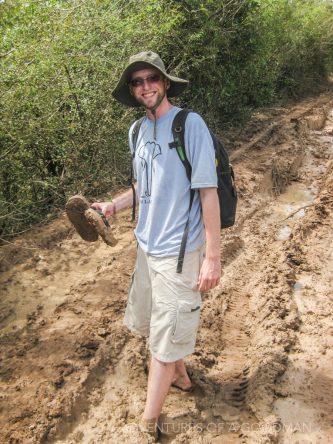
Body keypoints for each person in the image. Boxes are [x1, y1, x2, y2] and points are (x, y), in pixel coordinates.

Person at [92, 51, 221, 440]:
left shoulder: (189, 124)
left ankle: (148, 424)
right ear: (131, 90)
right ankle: (181, 377)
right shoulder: (137, 131)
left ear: (165, 83)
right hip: (147, 247)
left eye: (151, 78)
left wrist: (212, 257)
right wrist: (114, 205)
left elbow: (208, 193)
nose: (145, 86)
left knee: (163, 342)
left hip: (180, 252)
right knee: (155, 322)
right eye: (137, 81)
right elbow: (143, 187)